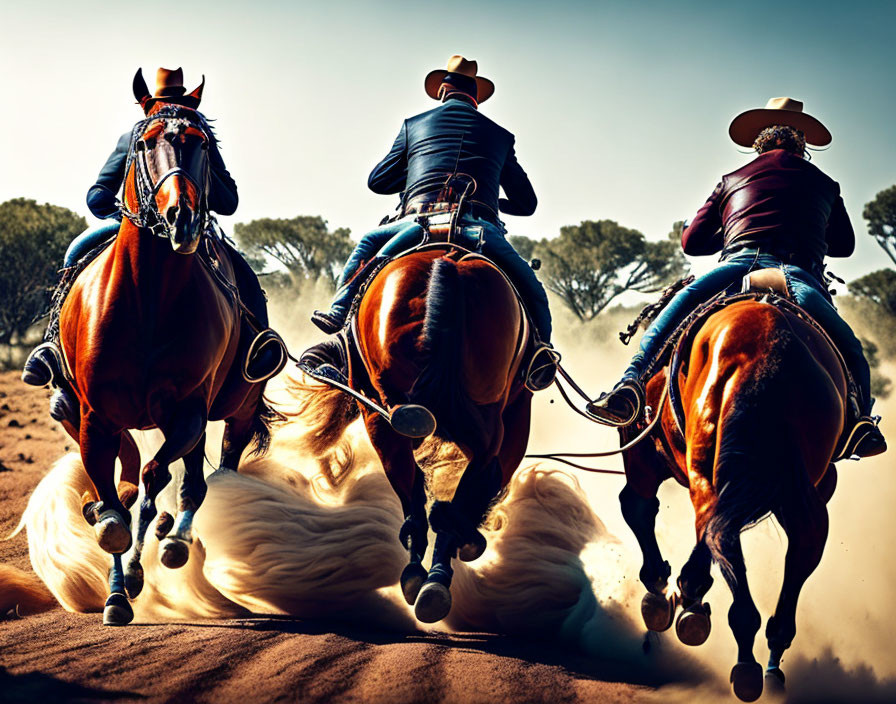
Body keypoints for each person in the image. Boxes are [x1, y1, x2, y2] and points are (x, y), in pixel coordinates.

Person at [588, 97, 885, 458]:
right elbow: (846, 246)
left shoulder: (732, 179)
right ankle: (861, 421)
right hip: (798, 271)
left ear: (759, 141)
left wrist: (731, 230)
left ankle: (630, 383)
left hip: (739, 262)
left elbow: (692, 242)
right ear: (802, 145)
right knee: (847, 344)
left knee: (677, 310)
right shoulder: (824, 183)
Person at [22, 68, 273, 400]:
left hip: (190, 228)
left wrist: (200, 166)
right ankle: (53, 345)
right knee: (75, 252)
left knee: (242, 271)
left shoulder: (200, 138)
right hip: (134, 226)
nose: (172, 111)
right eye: (165, 103)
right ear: (148, 105)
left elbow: (229, 201)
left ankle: (258, 346)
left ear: (191, 104)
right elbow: (98, 196)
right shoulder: (134, 139)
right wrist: (130, 219)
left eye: (178, 103)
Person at [307, 55, 552, 350]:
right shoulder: (500, 136)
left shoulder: (413, 125)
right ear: (476, 97)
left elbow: (377, 181)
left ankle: (338, 327)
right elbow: (527, 204)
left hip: (414, 225)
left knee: (367, 248)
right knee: (533, 292)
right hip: (479, 229)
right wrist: (493, 200)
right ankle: (541, 353)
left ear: (442, 91)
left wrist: (417, 173)